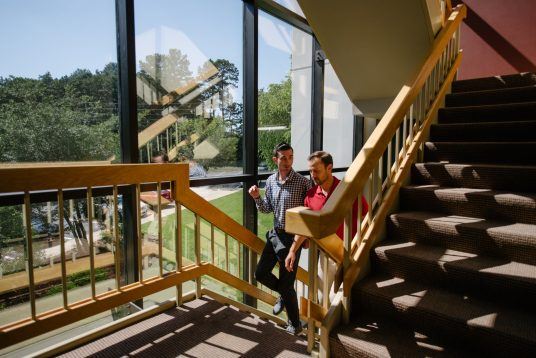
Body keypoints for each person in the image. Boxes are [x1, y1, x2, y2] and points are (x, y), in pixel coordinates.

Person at [284, 151, 368, 303]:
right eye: (310, 170)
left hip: (349, 254)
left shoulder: (346, 192)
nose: (312, 175)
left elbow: (366, 217)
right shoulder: (310, 195)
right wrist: (292, 251)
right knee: (322, 299)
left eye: (316, 170)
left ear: (329, 168)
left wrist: (361, 246)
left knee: (335, 299)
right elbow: (305, 227)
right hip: (326, 256)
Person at [248, 142, 311, 335]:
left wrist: (305, 237)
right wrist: (257, 197)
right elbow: (267, 208)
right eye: (283, 158)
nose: (287, 161)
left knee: (286, 283)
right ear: (275, 159)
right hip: (275, 234)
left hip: (293, 239)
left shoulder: (302, 182)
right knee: (260, 274)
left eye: (290, 157)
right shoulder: (270, 181)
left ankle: (295, 324)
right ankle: (284, 295)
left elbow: (309, 211)